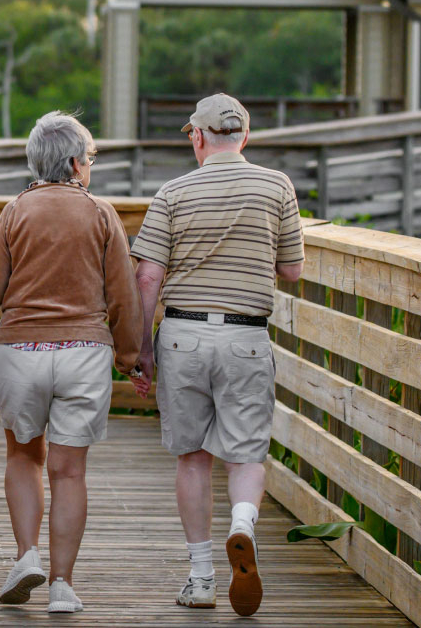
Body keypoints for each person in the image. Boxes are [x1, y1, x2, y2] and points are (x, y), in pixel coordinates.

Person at [0, 111, 145, 613]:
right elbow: (123, 295)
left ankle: (26, 557)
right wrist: (132, 359)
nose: (90, 166)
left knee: (23, 456)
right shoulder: (102, 214)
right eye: (89, 158)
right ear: (73, 163)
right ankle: (62, 585)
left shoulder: (14, 211)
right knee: (69, 472)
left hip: (20, 351)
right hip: (84, 354)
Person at [129, 94, 304, 616]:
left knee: (193, 457)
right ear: (244, 137)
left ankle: (202, 577)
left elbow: (147, 277)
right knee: (247, 452)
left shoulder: (173, 191)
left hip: (183, 335)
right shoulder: (277, 186)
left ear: (199, 137)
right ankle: (243, 525)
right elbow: (292, 271)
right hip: (246, 336)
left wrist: (141, 349)